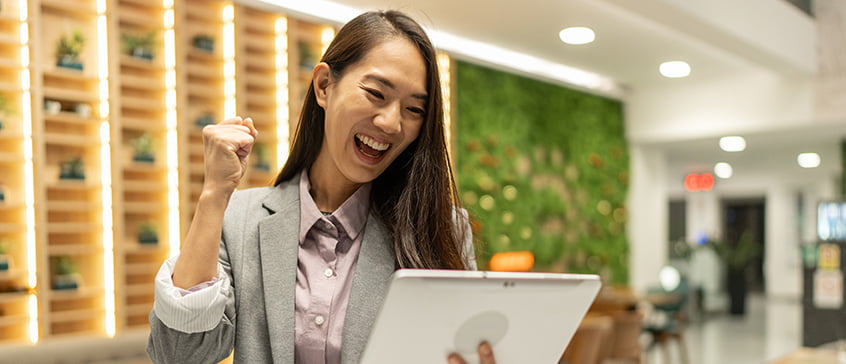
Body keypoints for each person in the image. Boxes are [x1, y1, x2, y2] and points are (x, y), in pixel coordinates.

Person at [147, 10, 496, 364]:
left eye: (414, 110)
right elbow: (179, 354)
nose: (391, 123)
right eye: (376, 93)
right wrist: (214, 196)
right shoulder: (240, 219)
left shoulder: (440, 229)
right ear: (324, 86)